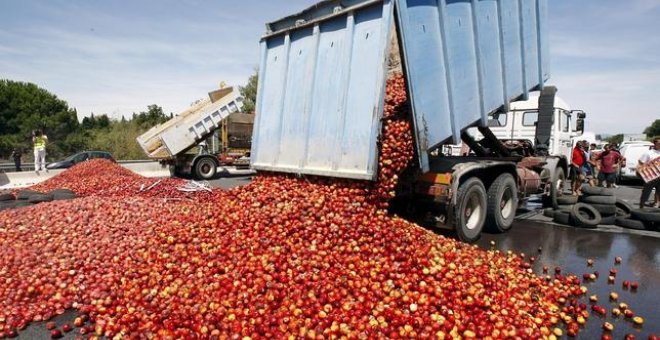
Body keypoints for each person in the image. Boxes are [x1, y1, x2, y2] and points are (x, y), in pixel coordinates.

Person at [638, 137, 660, 208]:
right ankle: (641, 206)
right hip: (650, 177)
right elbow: (641, 163)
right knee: (646, 193)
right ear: (655, 143)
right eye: (659, 143)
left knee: (659, 192)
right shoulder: (648, 153)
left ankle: (656, 204)